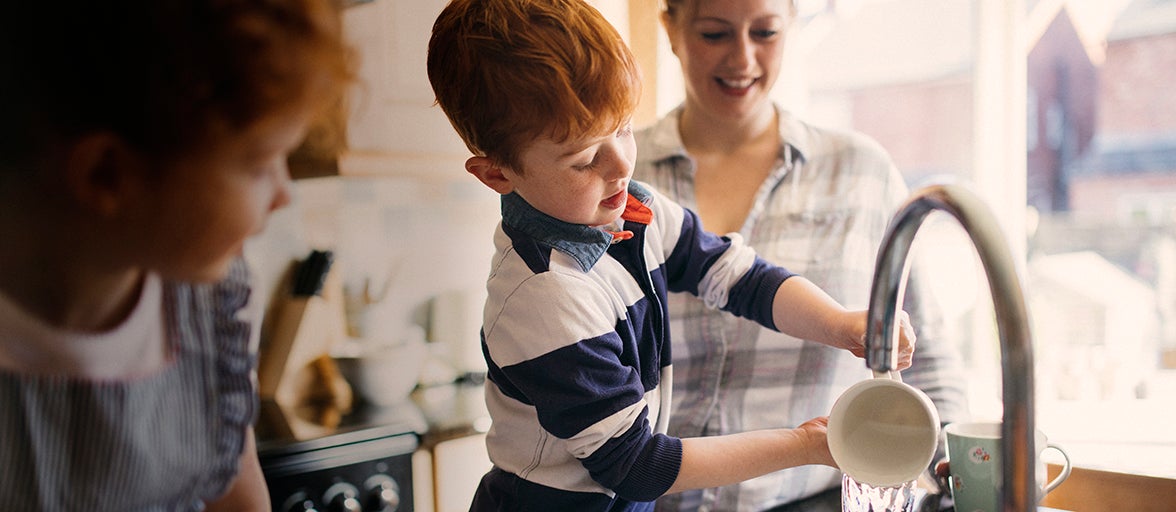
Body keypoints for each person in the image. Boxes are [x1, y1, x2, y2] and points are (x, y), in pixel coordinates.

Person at [425, 1, 918, 510]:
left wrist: (840, 325)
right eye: (585, 158)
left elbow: (739, 277)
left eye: (623, 129)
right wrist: (808, 444)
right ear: (497, 174)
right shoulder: (544, 295)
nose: (620, 166)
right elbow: (639, 466)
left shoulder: (632, 210)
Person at [0, 1, 353, 510]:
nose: (283, 194)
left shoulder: (213, 310)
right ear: (107, 175)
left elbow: (236, 495)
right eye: (258, 164)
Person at [632, 0, 970, 510]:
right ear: (672, 29)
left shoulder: (860, 172)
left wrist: (954, 475)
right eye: (714, 34)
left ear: (791, 26)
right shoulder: (615, 179)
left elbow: (927, 358)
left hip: (809, 498)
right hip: (643, 498)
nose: (742, 58)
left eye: (765, 32)